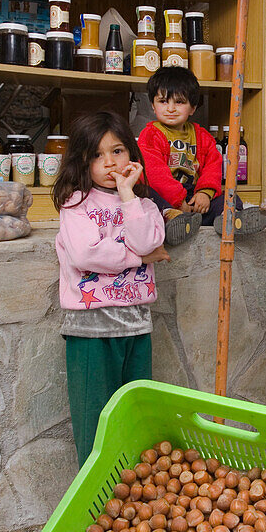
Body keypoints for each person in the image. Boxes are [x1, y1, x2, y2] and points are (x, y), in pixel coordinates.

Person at [53, 111, 167, 466]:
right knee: (94, 423)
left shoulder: (144, 205)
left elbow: (150, 238)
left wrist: (126, 194)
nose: (109, 163)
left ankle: (130, 496)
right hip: (91, 330)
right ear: (82, 161)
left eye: (117, 151)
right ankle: (91, 502)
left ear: (131, 154)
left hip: (136, 326)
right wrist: (140, 257)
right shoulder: (75, 204)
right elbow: (87, 254)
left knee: (135, 417)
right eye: (97, 155)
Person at [138, 66, 266, 241]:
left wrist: (205, 193)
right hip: (165, 193)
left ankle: (230, 218)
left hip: (193, 194)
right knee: (146, 196)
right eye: (163, 101)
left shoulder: (201, 136)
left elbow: (213, 166)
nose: (170, 108)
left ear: (193, 108)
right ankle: (173, 220)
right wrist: (177, 201)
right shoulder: (151, 134)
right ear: (153, 105)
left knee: (229, 197)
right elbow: (154, 173)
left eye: (179, 102)